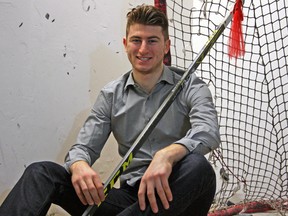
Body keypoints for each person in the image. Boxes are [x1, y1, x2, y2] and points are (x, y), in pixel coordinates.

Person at [0, 4, 220, 216]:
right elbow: (82, 148)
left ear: (166, 45)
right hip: (129, 200)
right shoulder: (111, 94)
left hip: (176, 195)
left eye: (152, 40)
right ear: (125, 44)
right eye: (136, 40)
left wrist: (167, 155)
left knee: (199, 167)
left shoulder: (190, 84)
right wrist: (78, 165)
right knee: (41, 173)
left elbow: (208, 131)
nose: (143, 49)